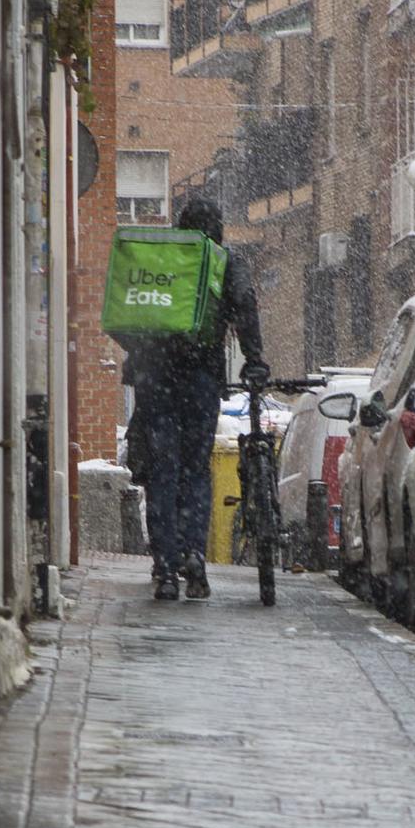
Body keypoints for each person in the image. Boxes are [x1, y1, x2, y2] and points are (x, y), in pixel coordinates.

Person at [124, 197, 266, 601]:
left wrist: (141, 354)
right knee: (196, 471)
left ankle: (166, 569)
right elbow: (246, 304)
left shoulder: (162, 257)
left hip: (155, 381)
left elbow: (130, 308)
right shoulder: (225, 260)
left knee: (162, 472)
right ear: (218, 226)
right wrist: (254, 358)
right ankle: (194, 557)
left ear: (179, 224)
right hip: (201, 379)